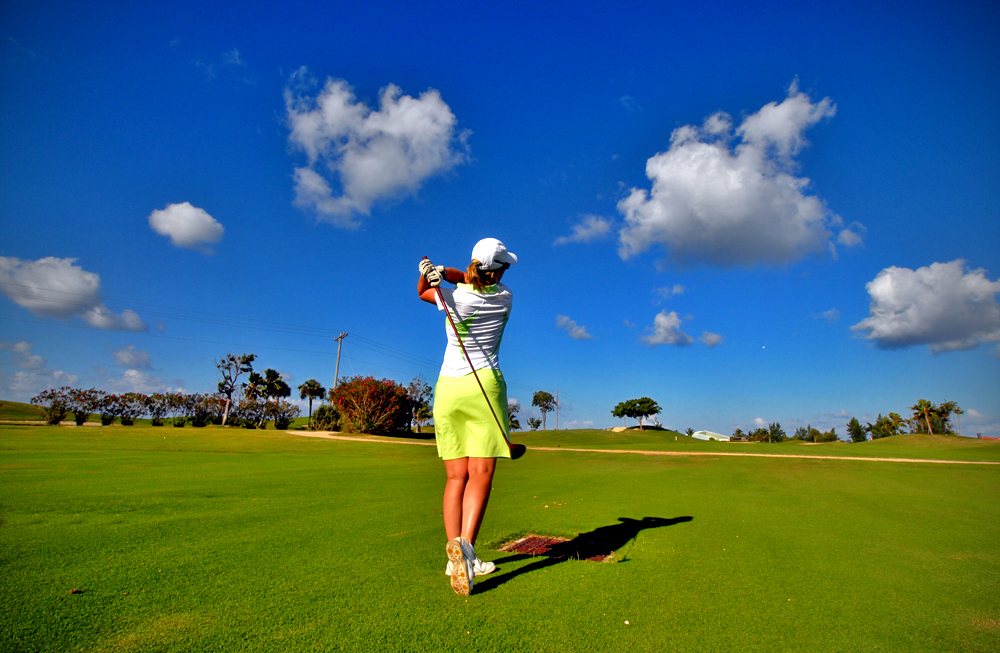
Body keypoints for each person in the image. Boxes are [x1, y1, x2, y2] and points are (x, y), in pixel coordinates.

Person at [417, 238, 517, 596]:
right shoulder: (504, 297)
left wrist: (431, 274)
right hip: (484, 387)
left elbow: (425, 293)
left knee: (455, 475)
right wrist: (445, 274)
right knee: (482, 472)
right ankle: (468, 551)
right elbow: (473, 280)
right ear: (499, 270)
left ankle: (452, 555)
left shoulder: (453, 297)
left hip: (447, 389)